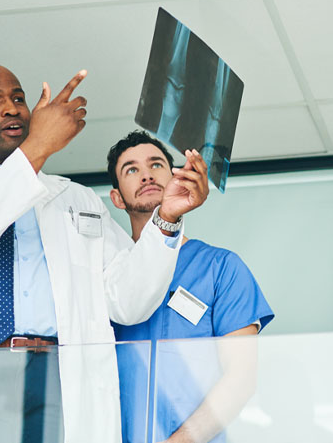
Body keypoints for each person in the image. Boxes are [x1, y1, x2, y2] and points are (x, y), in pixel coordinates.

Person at [0, 63, 209, 443]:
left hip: (63, 378)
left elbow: (128, 302)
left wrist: (167, 220)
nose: (12, 108)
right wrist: (36, 150)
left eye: (18, 98)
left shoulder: (74, 198)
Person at [107, 131, 274, 443]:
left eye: (156, 164)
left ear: (175, 178)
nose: (146, 175)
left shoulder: (221, 268)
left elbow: (241, 379)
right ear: (116, 198)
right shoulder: (108, 279)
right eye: (131, 169)